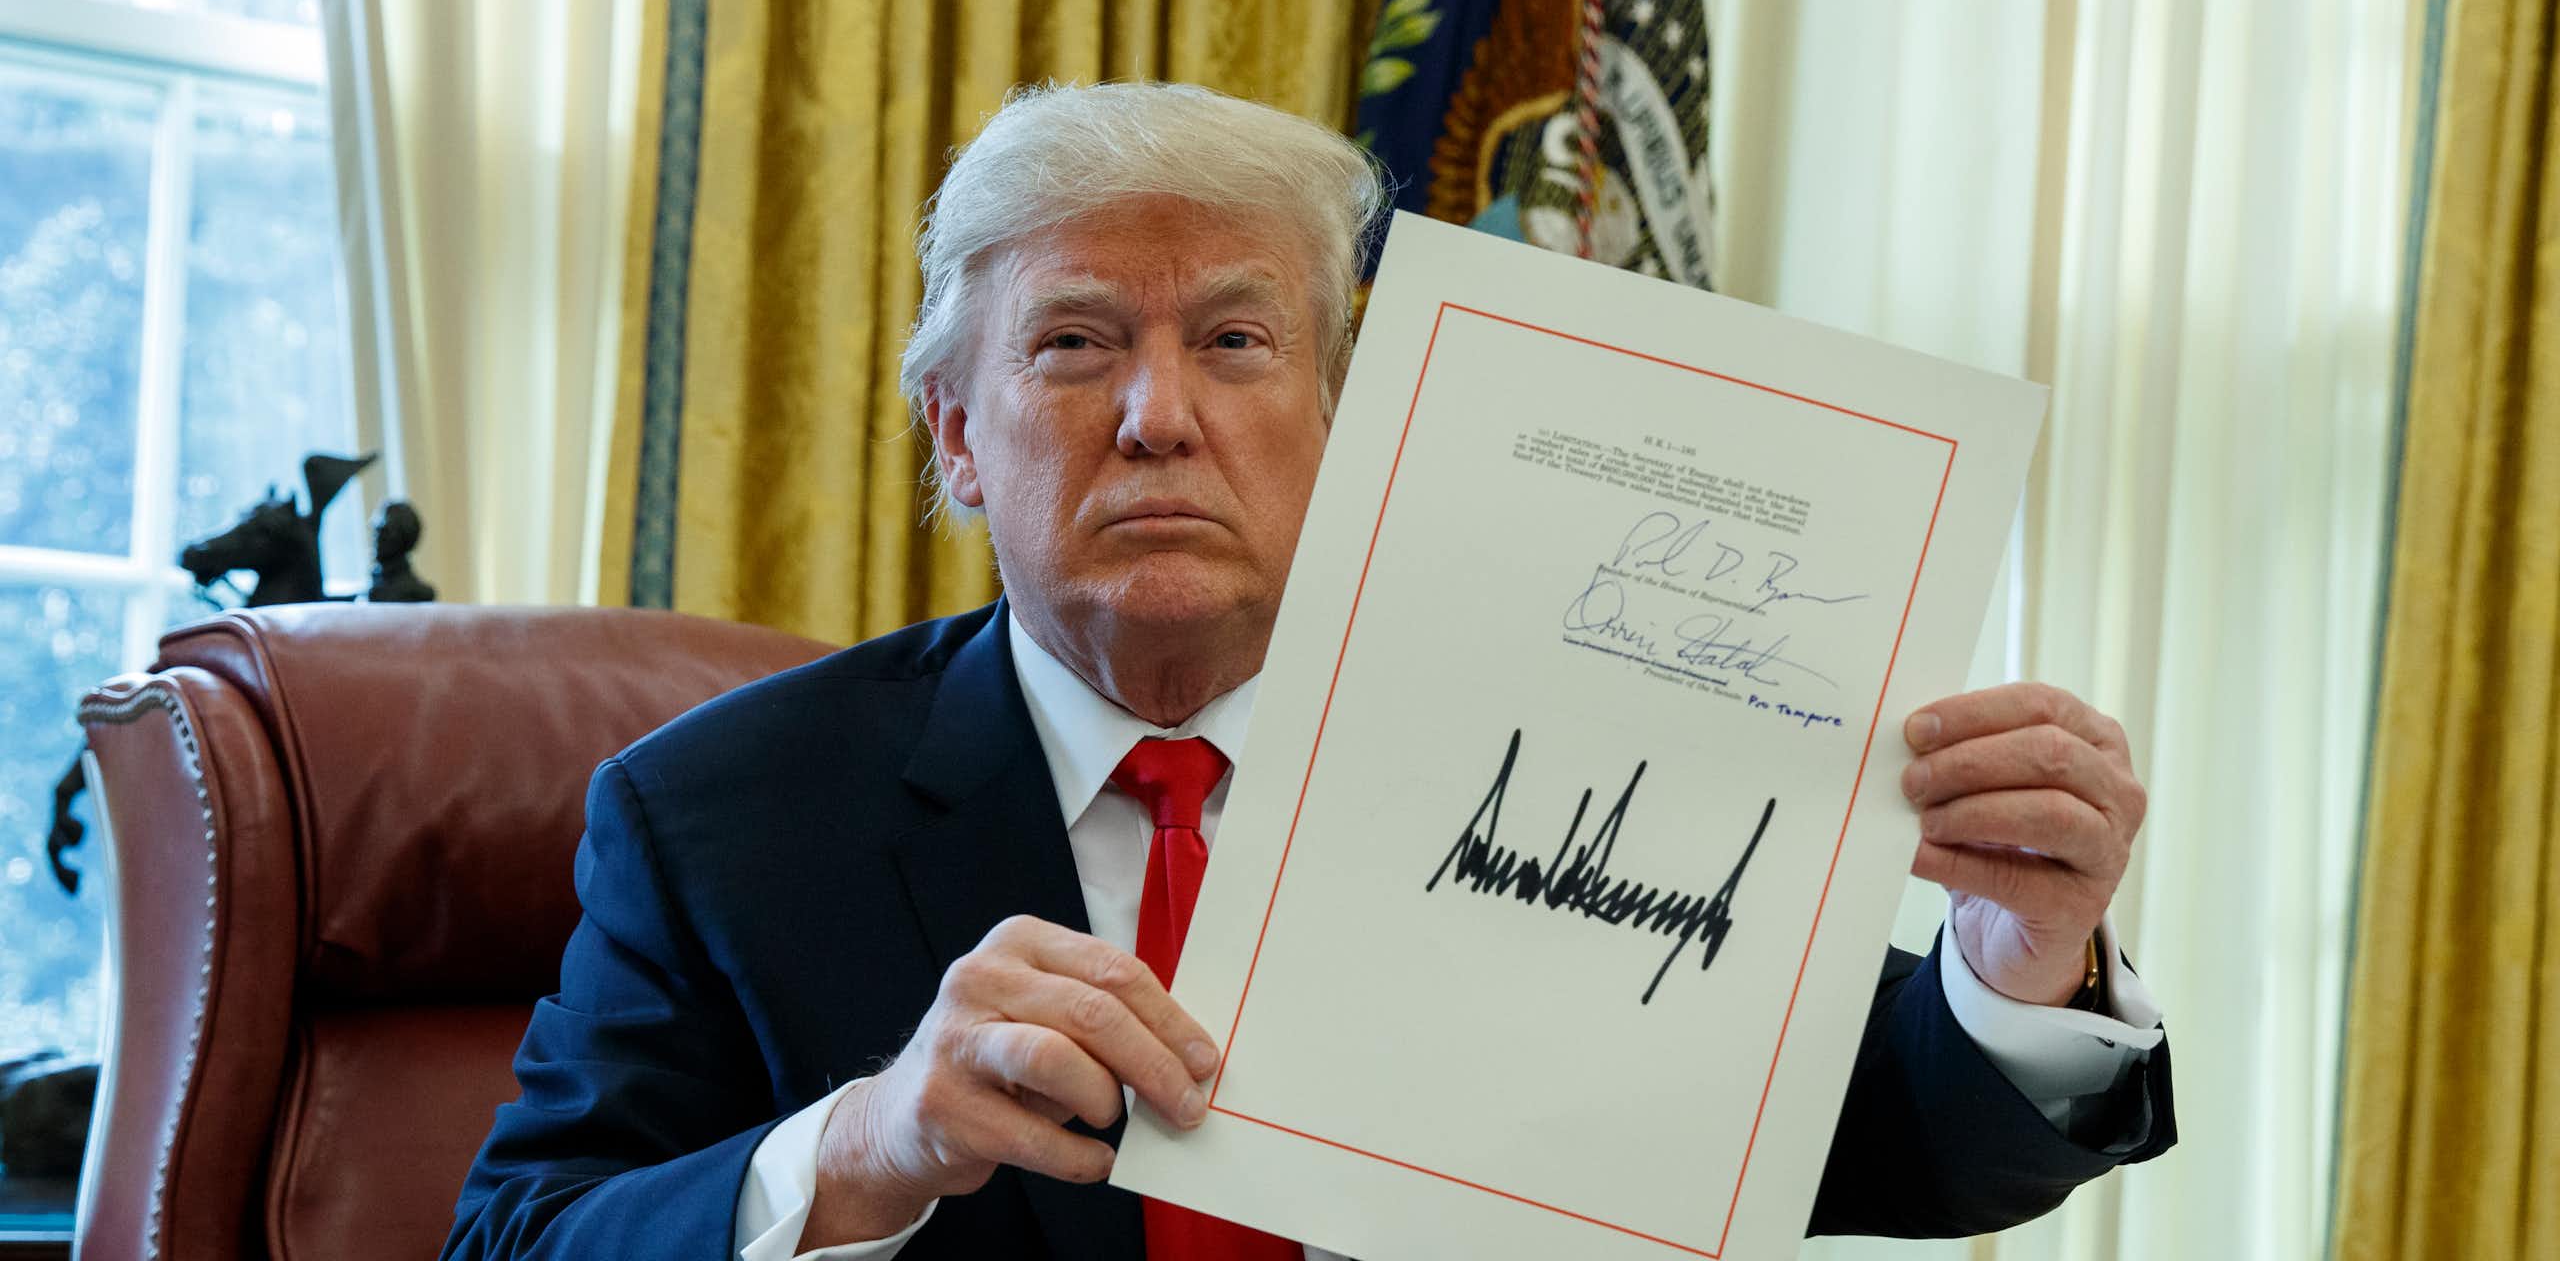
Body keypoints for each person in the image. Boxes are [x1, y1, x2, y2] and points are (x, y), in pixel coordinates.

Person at [443, 82, 2174, 1261]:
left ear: (1352, 426)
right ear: (957, 437)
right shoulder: (719, 818)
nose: (1158, 413)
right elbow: (515, 1241)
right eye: (1073, 344)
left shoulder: (1578, 740)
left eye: (1236, 341)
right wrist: (869, 1142)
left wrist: (2021, 962)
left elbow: (1893, 1137)